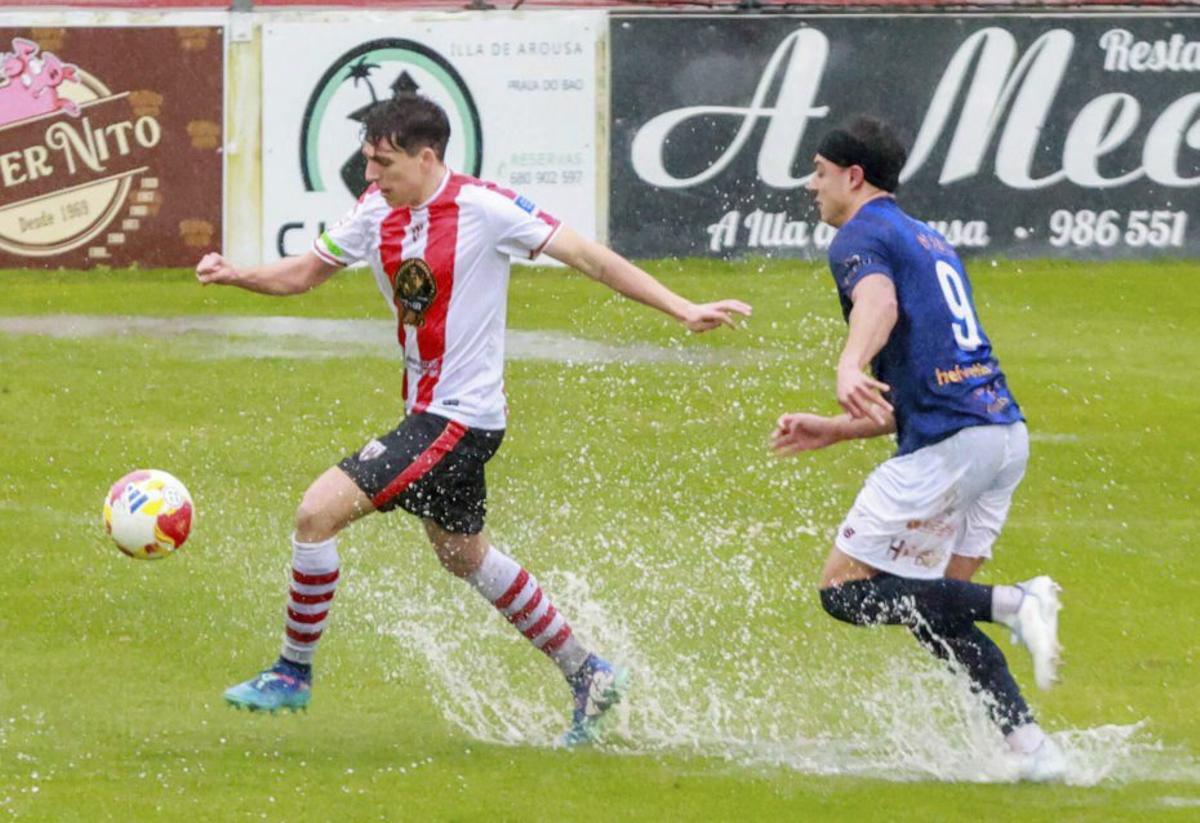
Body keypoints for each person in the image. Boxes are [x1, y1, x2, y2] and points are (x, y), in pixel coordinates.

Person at [196, 94, 751, 746]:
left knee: (317, 513)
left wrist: (680, 307)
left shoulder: (485, 210)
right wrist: (238, 274)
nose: (371, 176)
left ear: (426, 156)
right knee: (462, 553)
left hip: (459, 418)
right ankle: (588, 672)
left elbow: (588, 256)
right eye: (366, 163)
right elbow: (304, 273)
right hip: (432, 413)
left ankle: (292, 671)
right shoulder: (376, 210)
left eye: (383, 163)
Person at [770, 115, 1066, 781]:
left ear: (853, 176)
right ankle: (1031, 749)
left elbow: (878, 303)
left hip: (952, 448)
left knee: (843, 590)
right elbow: (933, 380)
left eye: (819, 173)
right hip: (1000, 436)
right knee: (936, 610)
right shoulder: (926, 238)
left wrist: (851, 363)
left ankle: (1019, 601)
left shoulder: (859, 233)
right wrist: (837, 425)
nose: (811, 186)